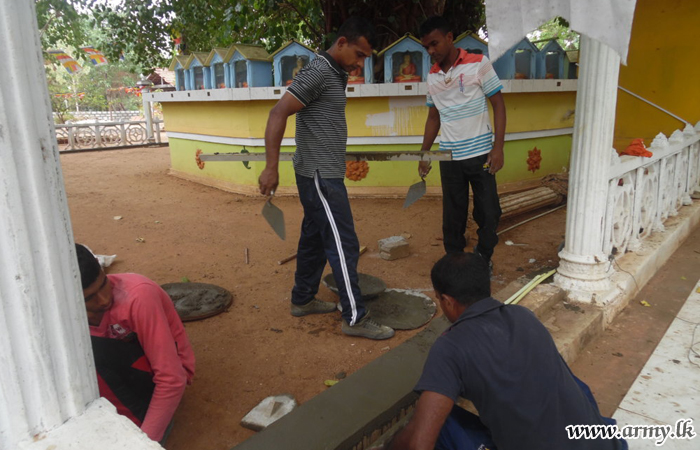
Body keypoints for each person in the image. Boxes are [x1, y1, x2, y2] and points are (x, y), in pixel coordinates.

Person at [388, 253, 626, 450]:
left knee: (439, 422)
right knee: (573, 384)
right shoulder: (524, 316)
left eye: (439, 299)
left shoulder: (450, 346)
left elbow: (420, 444)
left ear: (448, 301)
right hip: (603, 445)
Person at [258, 17, 394, 340]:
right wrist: (270, 167)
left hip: (322, 173)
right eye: (359, 55)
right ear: (342, 43)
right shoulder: (319, 71)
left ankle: (302, 299)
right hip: (320, 176)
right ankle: (355, 317)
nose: (361, 63)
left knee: (316, 238)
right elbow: (278, 112)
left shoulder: (336, 73)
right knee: (343, 243)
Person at [75, 244, 195, 444]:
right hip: (113, 377)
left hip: (157, 381)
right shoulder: (64, 316)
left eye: (103, 284)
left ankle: (138, 423)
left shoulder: (138, 298)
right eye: (89, 298)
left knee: (92, 353)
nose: (104, 299)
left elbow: (171, 378)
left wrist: (143, 442)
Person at [418, 16, 506, 271]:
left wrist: (497, 147)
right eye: (426, 47)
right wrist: (425, 154)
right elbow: (433, 117)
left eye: (434, 44)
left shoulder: (479, 63)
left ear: (449, 37)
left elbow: (498, 105)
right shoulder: (433, 76)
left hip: (481, 156)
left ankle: (483, 257)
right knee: (453, 216)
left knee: (489, 213)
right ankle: (455, 262)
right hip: (449, 158)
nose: (431, 51)